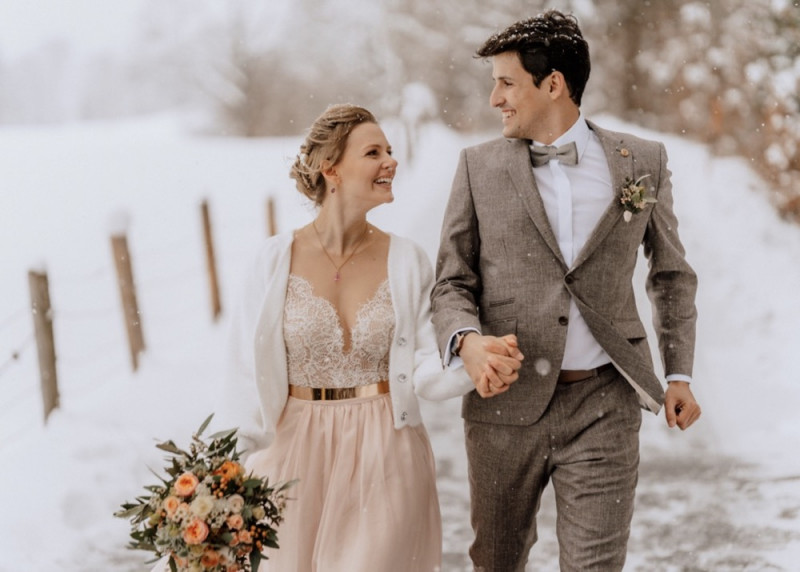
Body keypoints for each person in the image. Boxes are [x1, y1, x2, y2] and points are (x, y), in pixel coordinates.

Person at [430, 10, 702, 572]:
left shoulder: (640, 162)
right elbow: (452, 281)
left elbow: (670, 274)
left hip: (605, 403)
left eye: (506, 83)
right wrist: (468, 342)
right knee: (497, 562)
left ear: (552, 83)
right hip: (503, 407)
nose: (494, 99)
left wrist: (679, 374)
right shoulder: (477, 168)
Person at [223, 104, 473, 571]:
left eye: (391, 151)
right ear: (330, 168)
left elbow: (424, 363)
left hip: (387, 450)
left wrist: (473, 366)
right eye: (373, 152)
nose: (390, 162)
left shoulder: (408, 260)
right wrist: (224, 471)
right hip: (292, 455)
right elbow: (244, 371)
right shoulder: (273, 260)